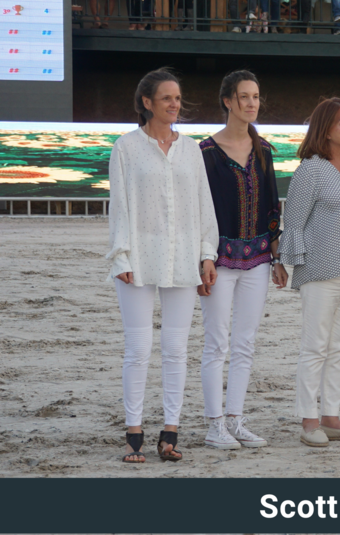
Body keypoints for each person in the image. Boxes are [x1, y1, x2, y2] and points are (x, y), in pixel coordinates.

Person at [107, 68, 219, 463]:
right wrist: (120, 253)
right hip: (137, 255)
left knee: (176, 348)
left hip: (185, 255)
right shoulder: (126, 147)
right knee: (138, 348)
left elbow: (203, 204)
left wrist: (208, 254)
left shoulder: (191, 149)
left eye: (178, 97)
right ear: (147, 102)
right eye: (167, 98)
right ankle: (133, 431)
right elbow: (118, 205)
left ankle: (170, 432)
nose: (175, 104)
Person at [280, 98, 340, 447]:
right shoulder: (311, 169)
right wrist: (282, 262)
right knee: (316, 346)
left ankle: (331, 417)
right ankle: (309, 421)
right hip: (320, 269)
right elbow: (293, 221)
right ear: (325, 129)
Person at [198, 70, 287, 451]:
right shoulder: (204, 153)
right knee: (216, 343)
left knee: (246, 342)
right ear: (227, 101)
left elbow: (271, 207)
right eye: (244, 96)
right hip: (216, 261)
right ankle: (213, 424)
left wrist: (277, 254)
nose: (252, 103)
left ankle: (235, 419)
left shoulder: (264, 150)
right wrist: (203, 257)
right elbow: (198, 211)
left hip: (259, 260)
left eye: (255, 96)